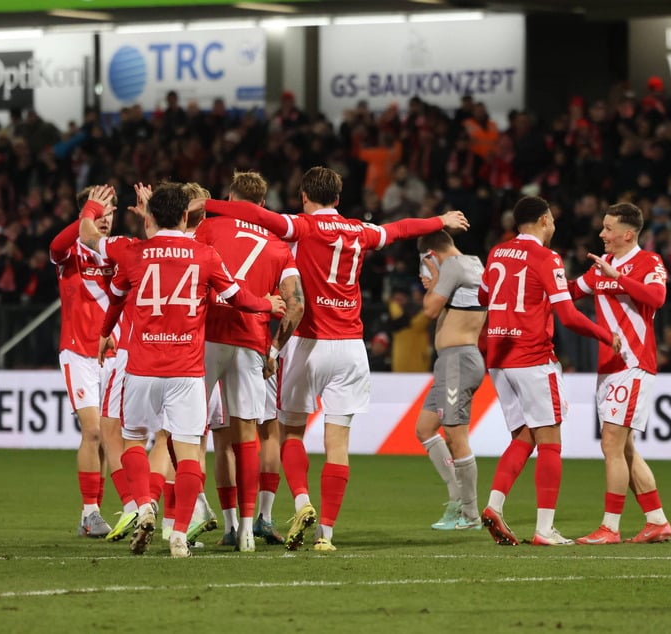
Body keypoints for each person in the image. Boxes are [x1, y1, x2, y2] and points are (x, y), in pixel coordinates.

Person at [192, 166, 470, 551]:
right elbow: (402, 228)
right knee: (337, 443)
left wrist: (206, 202)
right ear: (338, 199)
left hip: (309, 342)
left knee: (290, 431)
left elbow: (255, 214)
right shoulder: (360, 230)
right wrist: (440, 220)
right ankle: (326, 533)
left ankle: (302, 500)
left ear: (304, 196)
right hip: (352, 347)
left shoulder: (301, 226)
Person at [98, 182, 284, 557]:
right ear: (186, 216)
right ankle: (180, 533)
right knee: (188, 452)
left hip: (142, 369)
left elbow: (115, 300)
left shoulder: (135, 253)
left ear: (149, 217)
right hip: (185, 371)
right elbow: (237, 298)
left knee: (134, 440)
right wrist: (266, 304)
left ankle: (145, 505)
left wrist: (104, 335)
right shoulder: (205, 255)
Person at [477, 196, 621, 546]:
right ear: (543, 220)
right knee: (551, 442)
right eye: (552, 220)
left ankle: (495, 505)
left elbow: (484, 297)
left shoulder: (497, 253)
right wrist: (607, 335)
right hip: (532, 357)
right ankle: (544, 529)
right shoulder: (547, 257)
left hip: (497, 357)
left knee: (524, 436)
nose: (554, 226)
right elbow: (568, 316)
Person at [194, 171, 305, 552]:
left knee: (198, 432)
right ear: (262, 205)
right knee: (252, 435)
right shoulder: (279, 245)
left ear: (229, 196)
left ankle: (202, 517)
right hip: (253, 343)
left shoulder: (209, 229)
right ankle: (248, 530)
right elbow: (296, 304)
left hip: (208, 336)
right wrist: (274, 349)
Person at [568, 202, 671, 545]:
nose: (602, 234)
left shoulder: (649, 262)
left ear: (628, 234)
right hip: (609, 367)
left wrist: (620, 279)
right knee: (625, 448)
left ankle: (610, 528)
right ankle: (656, 521)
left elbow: (656, 298)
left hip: (634, 363)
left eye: (608, 228)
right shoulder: (603, 265)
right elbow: (570, 292)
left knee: (612, 442)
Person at [50, 185, 121, 538]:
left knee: (109, 437)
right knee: (92, 431)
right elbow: (55, 247)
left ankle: (91, 514)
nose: (105, 220)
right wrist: (87, 213)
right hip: (78, 352)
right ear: (86, 214)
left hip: (113, 355)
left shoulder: (114, 251)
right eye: (99, 213)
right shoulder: (71, 253)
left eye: (110, 212)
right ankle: (90, 511)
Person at [415, 230, 487, 531]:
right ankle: (456, 498)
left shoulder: (453, 266)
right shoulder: (473, 263)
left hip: (458, 359)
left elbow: (429, 310)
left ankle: (470, 514)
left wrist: (432, 281)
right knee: (425, 428)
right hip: (453, 361)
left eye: (425, 262)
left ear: (431, 254)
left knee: (457, 438)